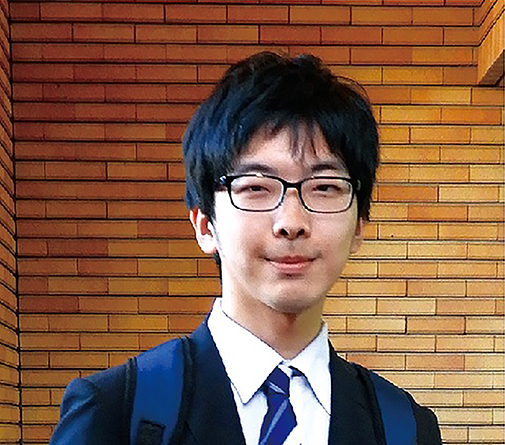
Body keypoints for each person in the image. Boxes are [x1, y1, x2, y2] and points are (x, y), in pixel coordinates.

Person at [50, 52, 442, 444]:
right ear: (205, 224)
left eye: (324, 187)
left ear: (359, 225)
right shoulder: (117, 412)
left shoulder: (405, 428)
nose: (291, 221)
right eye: (256, 187)